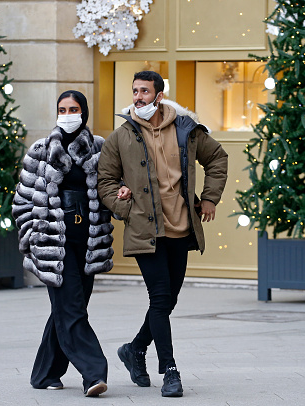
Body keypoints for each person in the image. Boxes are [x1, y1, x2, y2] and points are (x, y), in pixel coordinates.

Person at [97, 71, 228, 397]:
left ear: (158, 96)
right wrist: (125, 208)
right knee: (160, 298)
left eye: (144, 91)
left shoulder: (186, 130)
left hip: (181, 229)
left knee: (168, 300)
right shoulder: (121, 136)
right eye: (135, 91)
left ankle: (134, 350)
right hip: (146, 232)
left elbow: (217, 158)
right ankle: (170, 370)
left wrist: (210, 197)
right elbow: (105, 181)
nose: (138, 97)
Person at [12, 90, 115, 397]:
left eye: (74, 108)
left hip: (89, 242)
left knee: (71, 307)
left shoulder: (100, 147)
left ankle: (45, 373)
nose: (68, 113)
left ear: (84, 111)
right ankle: (94, 372)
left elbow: (111, 189)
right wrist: (33, 237)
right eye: (62, 108)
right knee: (71, 308)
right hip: (53, 242)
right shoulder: (41, 149)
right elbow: (22, 200)